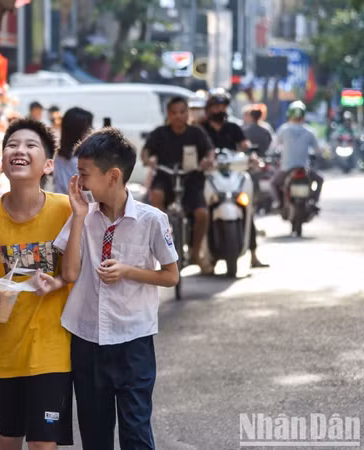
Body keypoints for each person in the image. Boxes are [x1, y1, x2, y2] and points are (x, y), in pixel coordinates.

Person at [55, 127, 179, 450]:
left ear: (112, 176)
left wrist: (129, 271)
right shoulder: (82, 216)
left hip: (133, 341)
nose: (78, 181)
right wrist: (79, 216)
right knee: (95, 436)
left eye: (84, 174)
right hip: (88, 341)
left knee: (136, 433)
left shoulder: (152, 220)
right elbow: (68, 274)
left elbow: (171, 276)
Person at [0, 119, 74, 450]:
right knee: (8, 442)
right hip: (2, 351)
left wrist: (56, 283)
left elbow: (80, 269)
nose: (19, 150)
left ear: (48, 164)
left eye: (30, 145)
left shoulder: (66, 210)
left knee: (43, 444)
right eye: (12, 145)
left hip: (51, 351)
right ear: (1, 161)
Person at [142, 96, 214, 272]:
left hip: (191, 179)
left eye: (182, 112)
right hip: (165, 178)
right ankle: (163, 238)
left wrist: (207, 161)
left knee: (202, 214)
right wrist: (148, 160)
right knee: (156, 196)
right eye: (174, 113)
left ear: (187, 113)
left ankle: (196, 253)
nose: (178, 116)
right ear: (168, 114)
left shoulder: (196, 133)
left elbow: (209, 151)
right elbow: (146, 151)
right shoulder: (160, 133)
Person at [201, 91, 269, 268]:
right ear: (208, 109)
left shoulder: (234, 128)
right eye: (216, 106)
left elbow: (245, 146)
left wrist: (253, 157)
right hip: (208, 176)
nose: (219, 109)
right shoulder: (200, 129)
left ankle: (254, 255)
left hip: (232, 175)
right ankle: (199, 253)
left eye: (222, 106)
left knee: (247, 209)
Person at [272, 101, 324, 209]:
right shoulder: (309, 131)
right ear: (303, 116)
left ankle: (278, 202)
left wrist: (272, 155)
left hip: (286, 168)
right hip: (304, 168)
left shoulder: (284, 129)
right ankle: (314, 201)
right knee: (320, 179)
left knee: (273, 183)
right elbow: (318, 150)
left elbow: (273, 147)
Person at [54, 107, 94, 194]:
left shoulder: (57, 157)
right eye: (89, 129)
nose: (92, 132)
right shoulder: (83, 160)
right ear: (78, 132)